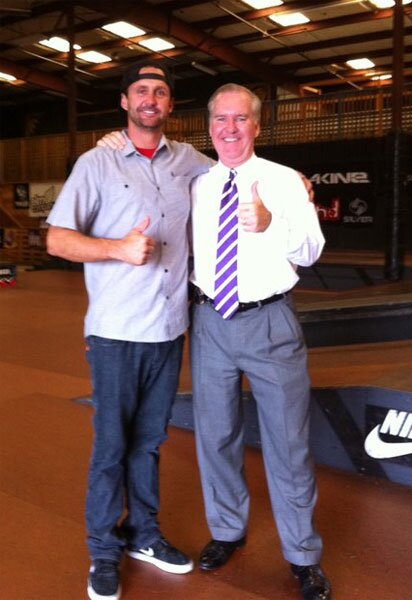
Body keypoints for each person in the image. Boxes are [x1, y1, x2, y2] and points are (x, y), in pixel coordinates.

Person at [46, 59, 213, 600]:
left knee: (149, 443)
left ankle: (143, 533)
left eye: (160, 92)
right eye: (141, 91)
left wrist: (293, 181)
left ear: (169, 104)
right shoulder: (97, 163)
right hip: (116, 333)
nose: (151, 99)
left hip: (167, 330)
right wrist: (117, 248)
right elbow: (57, 241)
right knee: (112, 446)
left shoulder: (189, 160)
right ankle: (102, 549)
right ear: (125, 102)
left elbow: (238, 171)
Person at [189, 83, 331, 600]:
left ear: (257, 125)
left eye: (240, 119)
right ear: (209, 127)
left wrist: (272, 225)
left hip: (270, 322)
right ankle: (226, 529)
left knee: (289, 443)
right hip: (210, 322)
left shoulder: (283, 181)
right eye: (221, 119)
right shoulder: (198, 183)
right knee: (216, 436)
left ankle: (303, 555)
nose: (230, 129)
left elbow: (312, 250)